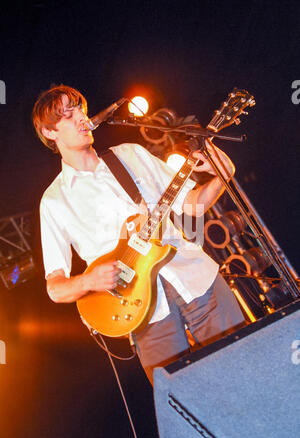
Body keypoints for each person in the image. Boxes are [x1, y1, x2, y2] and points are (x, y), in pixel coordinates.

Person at [33, 84, 245, 384]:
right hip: (142, 312)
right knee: (185, 401)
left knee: (246, 366)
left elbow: (194, 206)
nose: (81, 117)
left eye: (80, 108)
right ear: (50, 133)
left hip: (196, 280)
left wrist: (224, 173)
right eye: (68, 116)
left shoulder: (130, 154)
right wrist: (88, 281)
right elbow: (55, 287)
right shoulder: (55, 201)